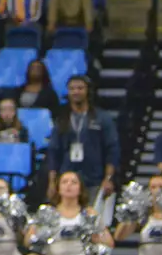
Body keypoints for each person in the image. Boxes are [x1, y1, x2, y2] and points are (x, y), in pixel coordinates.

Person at [19, 171, 123, 255]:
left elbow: (110, 242)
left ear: (80, 189)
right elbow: (27, 242)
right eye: (64, 182)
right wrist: (40, 235)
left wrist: (97, 237)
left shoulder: (89, 213)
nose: (69, 185)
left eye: (74, 182)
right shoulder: (47, 212)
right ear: (58, 188)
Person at [50, 77, 119, 225]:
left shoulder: (102, 118)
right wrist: (52, 182)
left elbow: (112, 150)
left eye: (80, 88)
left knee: (92, 222)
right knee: (68, 218)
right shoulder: (62, 119)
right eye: (72, 88)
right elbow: (54, 151)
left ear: (88, 91)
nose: (76, 92)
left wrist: (108, 179)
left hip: (94, 178)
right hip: (67, 177)